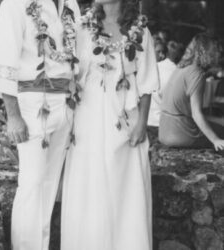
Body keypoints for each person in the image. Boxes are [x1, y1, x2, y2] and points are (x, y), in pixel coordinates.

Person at [61, 1, 159, 250]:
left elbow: (147, 83)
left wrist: (142, 125)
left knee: (124, 185)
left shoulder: (140, 30)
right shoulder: (82, 27)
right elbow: (70, 72)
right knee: (89, 181)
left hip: (125, 115)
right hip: (88, 114)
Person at [0, 0, 80, 249]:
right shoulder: (14, 4)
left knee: (50, 185)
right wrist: (13, 115)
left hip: (65, 101)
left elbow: (77, 52)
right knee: (32, 183)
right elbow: (7, 63)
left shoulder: (70, 4)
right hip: (31, 103)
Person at [159, 33, 224, 151]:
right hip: (179, 133)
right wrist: (215, 140)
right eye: (217, 51)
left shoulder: (181, 67)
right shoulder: (197, 74)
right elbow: (197, 114)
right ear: (208, 52)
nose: (219, 54)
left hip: (164, 130)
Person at [148, 41, 184, 127]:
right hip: (165, 123)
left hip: (150, 120)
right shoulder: (178, 73)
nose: (161, 55)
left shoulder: (155, 68)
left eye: (163, 52)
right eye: (158, 52)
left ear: (167, 53)